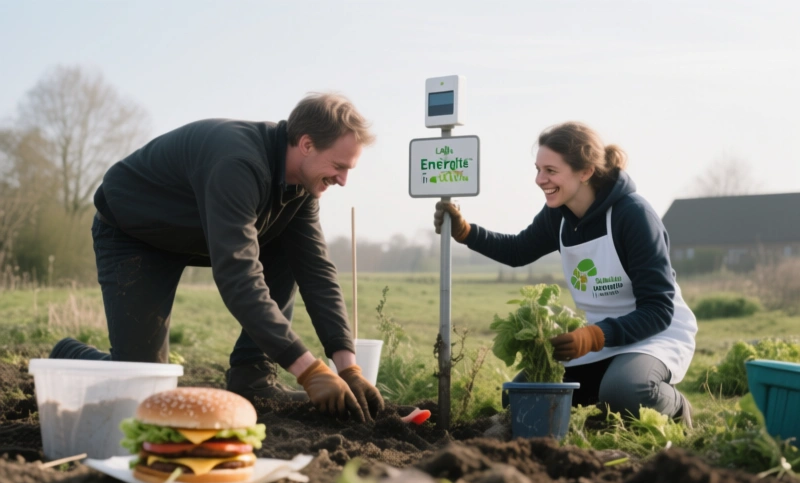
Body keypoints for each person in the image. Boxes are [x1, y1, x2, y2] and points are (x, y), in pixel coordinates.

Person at [50, 93, 384, 423]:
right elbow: (239, 277)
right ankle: (69, 356)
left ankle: (253, 378)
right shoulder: (239, 163)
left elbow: (317, 272)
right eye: (339, 166)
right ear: (307, 145)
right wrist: (309, 370)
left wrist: (348, 367)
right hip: (135, 233)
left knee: (290, 247)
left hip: (195, 231)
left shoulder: (302, 186)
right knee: (141, 385)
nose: (343, 180)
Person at [433, 121, 696, 426]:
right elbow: (517, 251)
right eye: (538, 170)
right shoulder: (558, 215)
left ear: (585, 172)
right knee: (520, 396)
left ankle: (677, 407)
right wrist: (466, 232)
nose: (539, 179)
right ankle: (607, 401)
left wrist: (595, 335)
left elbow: (658, 310)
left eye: (550, 170)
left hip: (653, 337)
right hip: (598, 340)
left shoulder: (634, 215)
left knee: (626, 392)